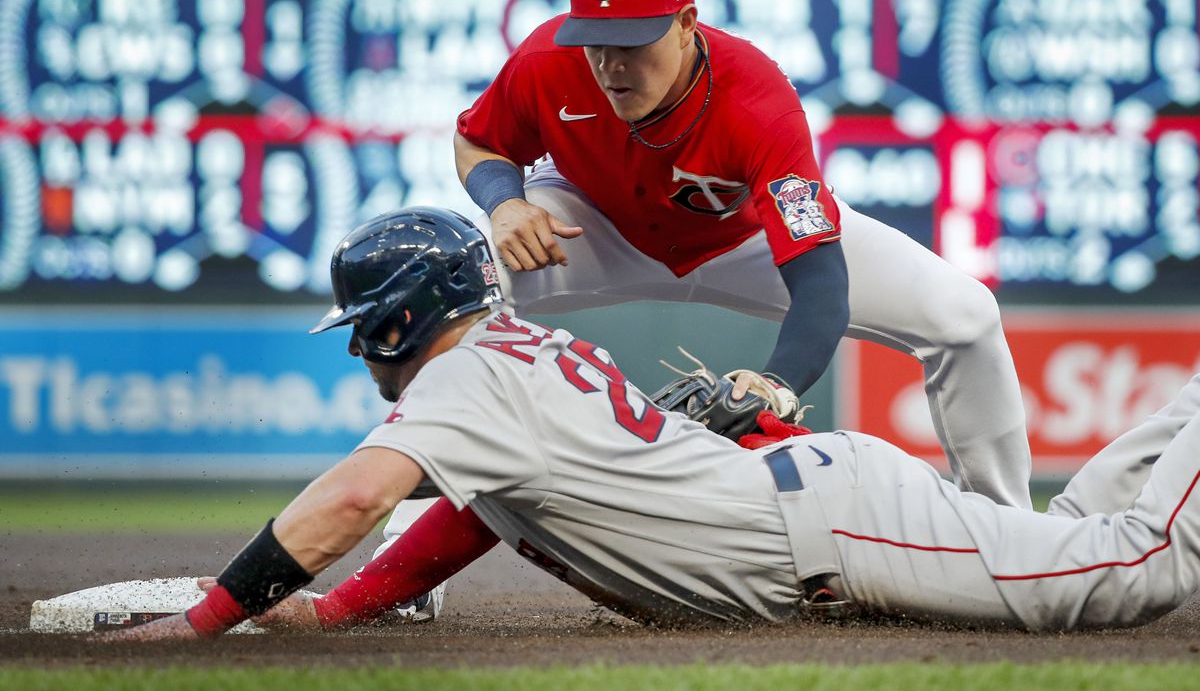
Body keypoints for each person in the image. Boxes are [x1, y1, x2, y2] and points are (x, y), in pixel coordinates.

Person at [114, 208, 1200, 641]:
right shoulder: (506, 362)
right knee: (1090, 536)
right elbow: (476, 511)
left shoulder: (463, 382)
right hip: (819, 503)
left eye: (366, 326)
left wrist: (210, 616)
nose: (361, 350)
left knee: (1136, 571)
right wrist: (343, 607)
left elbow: (355, 495)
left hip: (832, 524)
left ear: (402, 315)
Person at [382, 0, 1034, 619]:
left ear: (688, 24)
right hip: (589, 225)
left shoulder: (757, 99)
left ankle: (1012, 543)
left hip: (744, 242)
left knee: (967, 317)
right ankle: (404, 573)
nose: (609, 64)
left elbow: (819, 281)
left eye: (633, 42)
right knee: (452, 293)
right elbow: (480, 137)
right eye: (595, 41)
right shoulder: (547, 60)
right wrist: (505, 202)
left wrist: (779, 383)